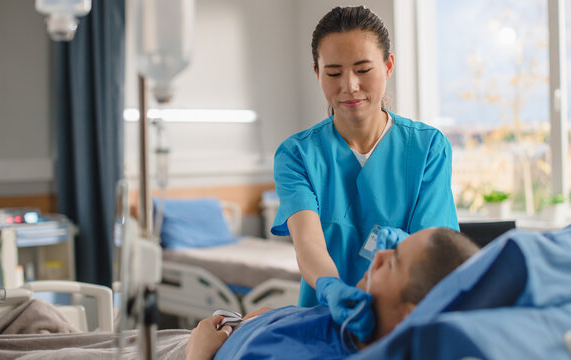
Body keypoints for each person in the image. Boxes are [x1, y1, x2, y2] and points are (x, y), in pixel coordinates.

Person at [270, 5, 459, 341]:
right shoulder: (297, 155)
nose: (350, 86)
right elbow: (308, 243)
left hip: (403, 321)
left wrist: (402, 247)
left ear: (388, 65)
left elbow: (429, 251)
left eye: (362, 69)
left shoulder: (428, 147)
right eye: (333, 73)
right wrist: (331, 288)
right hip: (325, 320)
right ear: (316, 72)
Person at [187, 228, 479, 360]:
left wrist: (198, 353)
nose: (376, 256)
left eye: (391, 261)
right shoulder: (354, 325)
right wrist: (275, 319)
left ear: (411, 319)